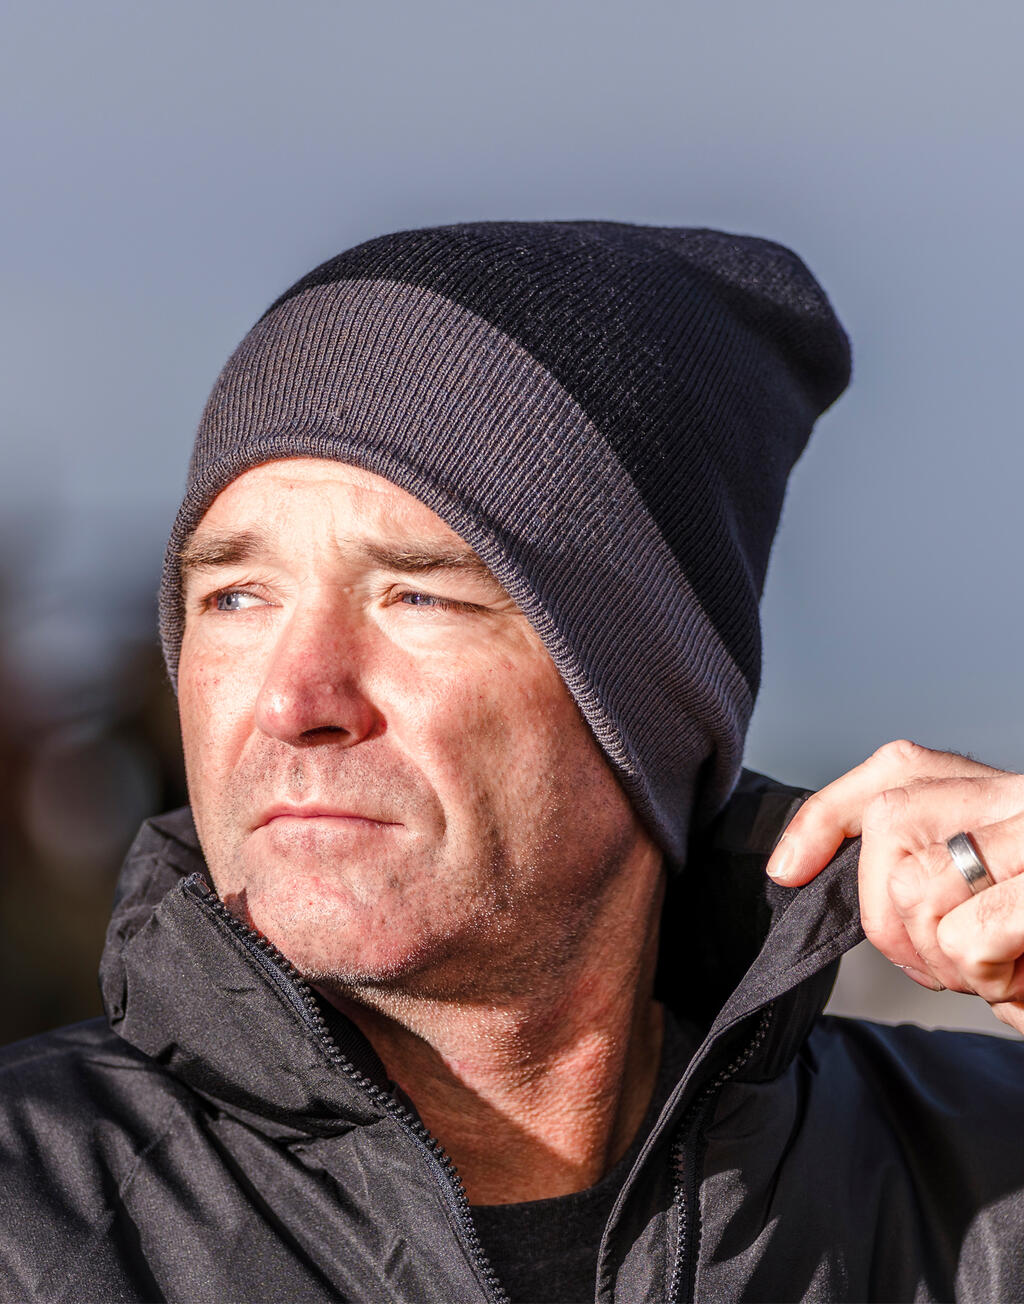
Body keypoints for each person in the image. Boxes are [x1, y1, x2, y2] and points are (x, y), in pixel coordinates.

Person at [2, 221, 1022, 1304]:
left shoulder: (988, 1187)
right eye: (237, 597)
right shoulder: (32, 1219)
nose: (294, 702)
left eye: (417, 595)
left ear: (649, 700)